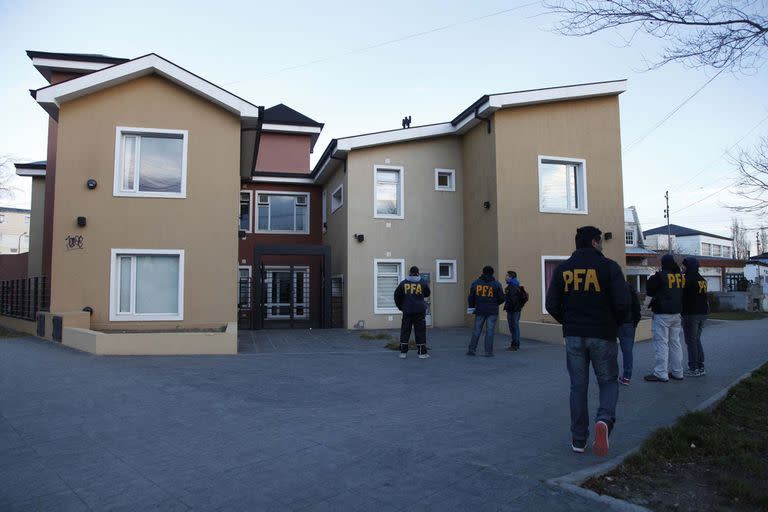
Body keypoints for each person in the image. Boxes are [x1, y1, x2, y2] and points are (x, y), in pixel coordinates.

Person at [545, 226, 627, 457]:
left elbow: (552, 304)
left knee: (578, 387)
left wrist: (569, 322)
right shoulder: (609, 267)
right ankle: (604, 420)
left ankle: (578, 439)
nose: (602, 245)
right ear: (593, 242)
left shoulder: (563, 269)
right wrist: (614, 325)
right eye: (600, 241)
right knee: (609, 382)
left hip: (573, 335)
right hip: (603, 334)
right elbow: (622, 303)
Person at [644, 254, 685, 382]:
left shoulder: (660, 276)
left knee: (661, 344)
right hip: (677, 314)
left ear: (663, 263)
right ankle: (678, 372)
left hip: (662, 314)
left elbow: (650, 288)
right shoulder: (679, 276)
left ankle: (661, 373)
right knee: (675, 343)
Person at [467, 266, 505, 357]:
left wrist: (472, 307)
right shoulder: (496, 284)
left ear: (482, 272)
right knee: (490, 331)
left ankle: (472, 350)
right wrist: (495, 303)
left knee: (477, 330)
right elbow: (502, 298)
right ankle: (488, 352)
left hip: (480, 310)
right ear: (492, 273)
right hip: (492, 311)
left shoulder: (476, 283)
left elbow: (471, 297)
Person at [394, 266, 431, 359]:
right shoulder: (422, 282)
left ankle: (403, 353)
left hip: (407, 312)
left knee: (405, 331)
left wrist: (401, 307)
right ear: (418, 273)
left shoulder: (403, 283)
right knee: (420, 331)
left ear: (409, 273)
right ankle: (422, 353)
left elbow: (397, 296)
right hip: (419, 312)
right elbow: (427, 293)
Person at [681, 257, 708, 377]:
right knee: (697, 340)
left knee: (691, 341)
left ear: (690, 266)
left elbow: (682, 295)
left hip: (691, 314)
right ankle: (701, 366)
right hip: (702, 313)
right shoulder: (701, 279)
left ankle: (693, 368)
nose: (683, 268)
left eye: (684, 266)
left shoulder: (688, 279)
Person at [618, 281, 642, 385]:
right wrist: (635, 320)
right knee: (627, 351)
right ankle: (627, 377)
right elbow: (636, 304)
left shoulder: (607, 285)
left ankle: (610, 375)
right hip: (628, 322)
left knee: (608, 349)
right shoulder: (628, 286)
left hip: (613, 323)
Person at [503, 271, 523, 351]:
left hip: (513, 310)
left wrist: (505, 298)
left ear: (510, 277)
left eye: (507, 275)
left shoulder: (512, 286)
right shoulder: (515, 285)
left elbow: (513, 299)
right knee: (515, 327)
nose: (505, 277)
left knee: (514, 327)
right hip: (515, 309)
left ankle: (515, 344)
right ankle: (515, 343)